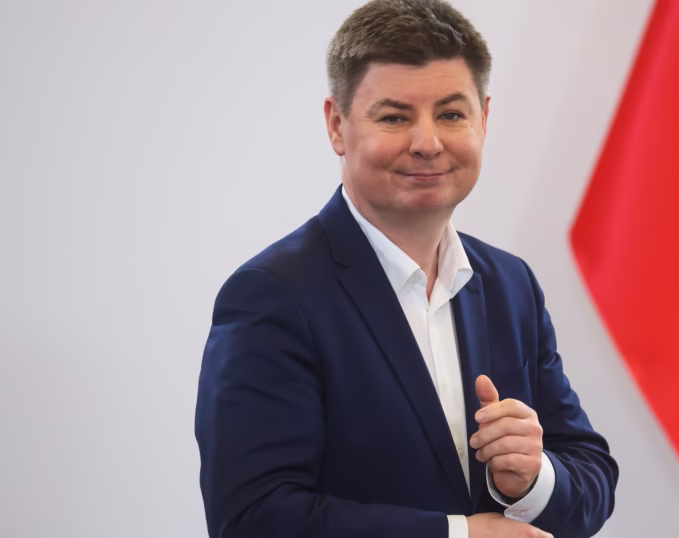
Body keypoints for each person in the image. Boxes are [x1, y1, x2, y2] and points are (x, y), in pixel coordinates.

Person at [194, 1, 618, 536]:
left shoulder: (511, 284)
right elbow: (253, 519)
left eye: (451, 114)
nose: (427, 143)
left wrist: (533, 481)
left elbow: (592, 475)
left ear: (484, 120)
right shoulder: (272, 296)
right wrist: (459, 534)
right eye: (394, 117)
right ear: (337, 125)